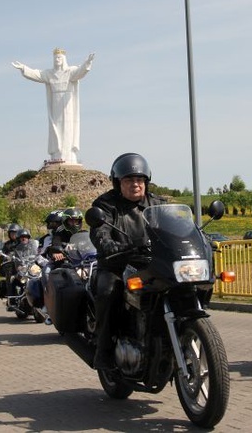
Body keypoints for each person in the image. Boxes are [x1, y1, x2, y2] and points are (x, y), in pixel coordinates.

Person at [89, 153, 166, 369]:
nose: (135, 185)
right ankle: (103, 350)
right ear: (118, 183)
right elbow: (99, 231)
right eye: (129, 180)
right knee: (108, 292)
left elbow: (175, 226)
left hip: (151, 264)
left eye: (140, 180)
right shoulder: (106, 204)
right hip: (117, 264)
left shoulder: (157, 204)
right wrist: (108, 244)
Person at [11, 48, 95, 164]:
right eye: (55, 58)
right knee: (56, 130)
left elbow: (81, 71)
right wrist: (24, 68)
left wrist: (87, 62)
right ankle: (57, 154)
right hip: (55, 106)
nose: (57, 60)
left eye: (59, 57)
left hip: (68, 105)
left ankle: (69, 156)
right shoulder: (50, 73)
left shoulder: (70, 71)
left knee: (68, 129)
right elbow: (37, 74)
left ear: (64, 59)